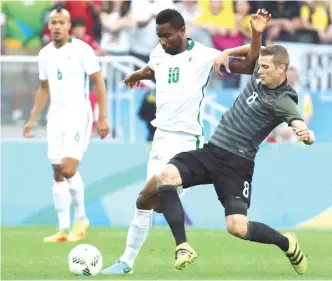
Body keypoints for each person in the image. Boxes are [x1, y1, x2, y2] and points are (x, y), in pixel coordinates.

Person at [101, 8, 270, 275]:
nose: (162, 41)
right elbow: (155, 68)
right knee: (144, 202)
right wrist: (138, 74)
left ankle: (177, 247)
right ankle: (126, 262)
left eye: (167, 36)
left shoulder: (203, 55)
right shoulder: (159, 52)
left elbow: (248, 66)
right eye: (159, 36)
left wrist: (256, 34)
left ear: (182, 31)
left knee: (151, 199)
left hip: (185, 143)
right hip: (160, 140)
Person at [154, 29, 314, 276]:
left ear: (282, 70)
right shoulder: (258, 76)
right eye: (260, 66)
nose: (260, 71)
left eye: (266, 68)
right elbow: (254, 49)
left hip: (237, 165)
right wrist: (228, 51)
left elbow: (296, 120)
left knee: (237, 227)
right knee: (165, 176)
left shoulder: (283, 99)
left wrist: (306, 133)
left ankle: (288, 244)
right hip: (212, 151)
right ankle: (183, 246)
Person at [23, 7, 109, 242]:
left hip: (78, 116)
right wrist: (32, 119)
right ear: (49, 26)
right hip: (56, 118)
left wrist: (102, 117)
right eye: (54, 23)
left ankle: (81, 217)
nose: (57, 26)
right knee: (57, 172)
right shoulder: (44, 54)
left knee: (69, 169)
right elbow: (43, 88)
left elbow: (99, 83)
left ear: (68, 25)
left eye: (62, 22)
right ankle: (63, 228)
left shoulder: (82, 50)